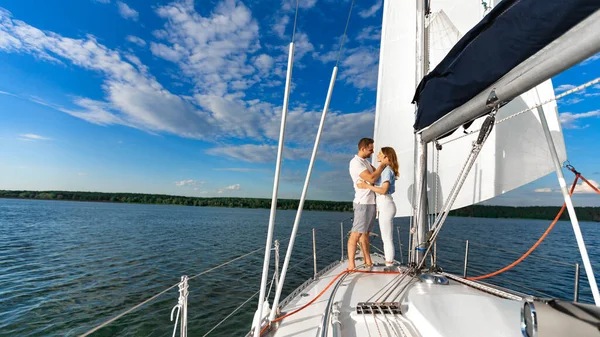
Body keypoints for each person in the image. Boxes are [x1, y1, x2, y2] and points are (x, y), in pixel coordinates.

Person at [348, 138, 386, 270]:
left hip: (370, 202)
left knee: (365, 233)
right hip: (362, 203)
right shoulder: (356, 163)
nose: (372, 152)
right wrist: (382, 165)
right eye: (370, 149)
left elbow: (378, 176)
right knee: (356, 234)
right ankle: (351, 265)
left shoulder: (366, 163)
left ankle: (368, 261)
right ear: (363, 148)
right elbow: (371, 178)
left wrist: (384, 166)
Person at [357, 147, 399, 266]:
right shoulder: (385, 170)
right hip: (385, 204)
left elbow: (383, 190)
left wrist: (366, 186)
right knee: (386, 237)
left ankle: (389, 264)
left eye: (380, 154)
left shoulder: (387, 171)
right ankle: (389, 262)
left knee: (387, 238)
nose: (377, 155)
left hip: (385, 203)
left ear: (386, 157)